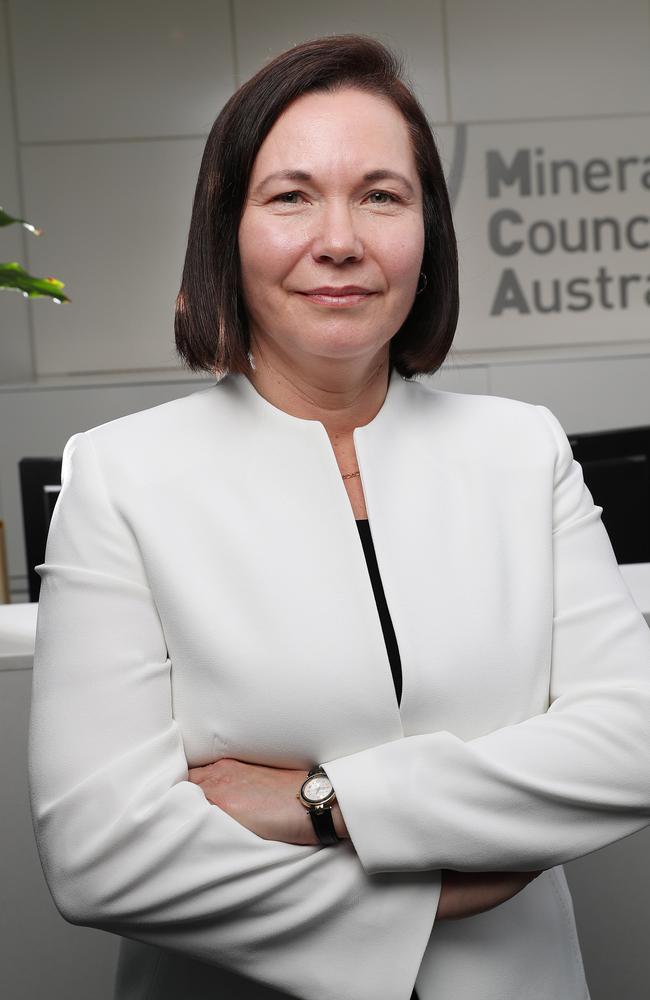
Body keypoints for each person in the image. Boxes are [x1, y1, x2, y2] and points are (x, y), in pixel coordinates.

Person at [28, 34, 650, 1000]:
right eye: (290, 195)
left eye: (382, 195)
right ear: (225, 229)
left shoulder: (522, 451)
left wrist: (323, 805)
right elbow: (100, 851)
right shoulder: (121, 475)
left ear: (428, 231)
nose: (340, 239)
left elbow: (635, 740)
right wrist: (441, 887)